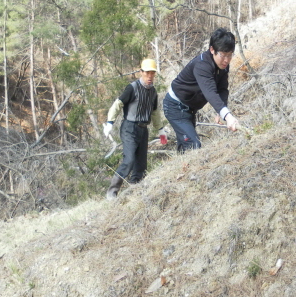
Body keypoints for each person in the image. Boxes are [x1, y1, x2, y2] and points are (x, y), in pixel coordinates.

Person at [163, 28, 240, 152]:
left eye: (230, 55)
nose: (227, 60)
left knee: (186, 147)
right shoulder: (202, 65)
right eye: (223, 55)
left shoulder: (223, 66)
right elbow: (210, 92)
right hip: (176, 106)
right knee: (193, 145)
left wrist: (221, 111)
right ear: (212, 50)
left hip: (190, 108)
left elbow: (222, 89)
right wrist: (227, 116)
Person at [103, 58, 162, 199]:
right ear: (141, 72)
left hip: (143, 129)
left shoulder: (153, 92)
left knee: (141, 165)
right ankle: (112, 192)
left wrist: (160, 129)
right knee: (129, 160)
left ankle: (135, 191)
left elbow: (154, 112)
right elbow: (118, 104)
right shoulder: (132, 88)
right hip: (129, 128)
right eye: (147, 73)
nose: (150, 76)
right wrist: (110, 122)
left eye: (152, 73)